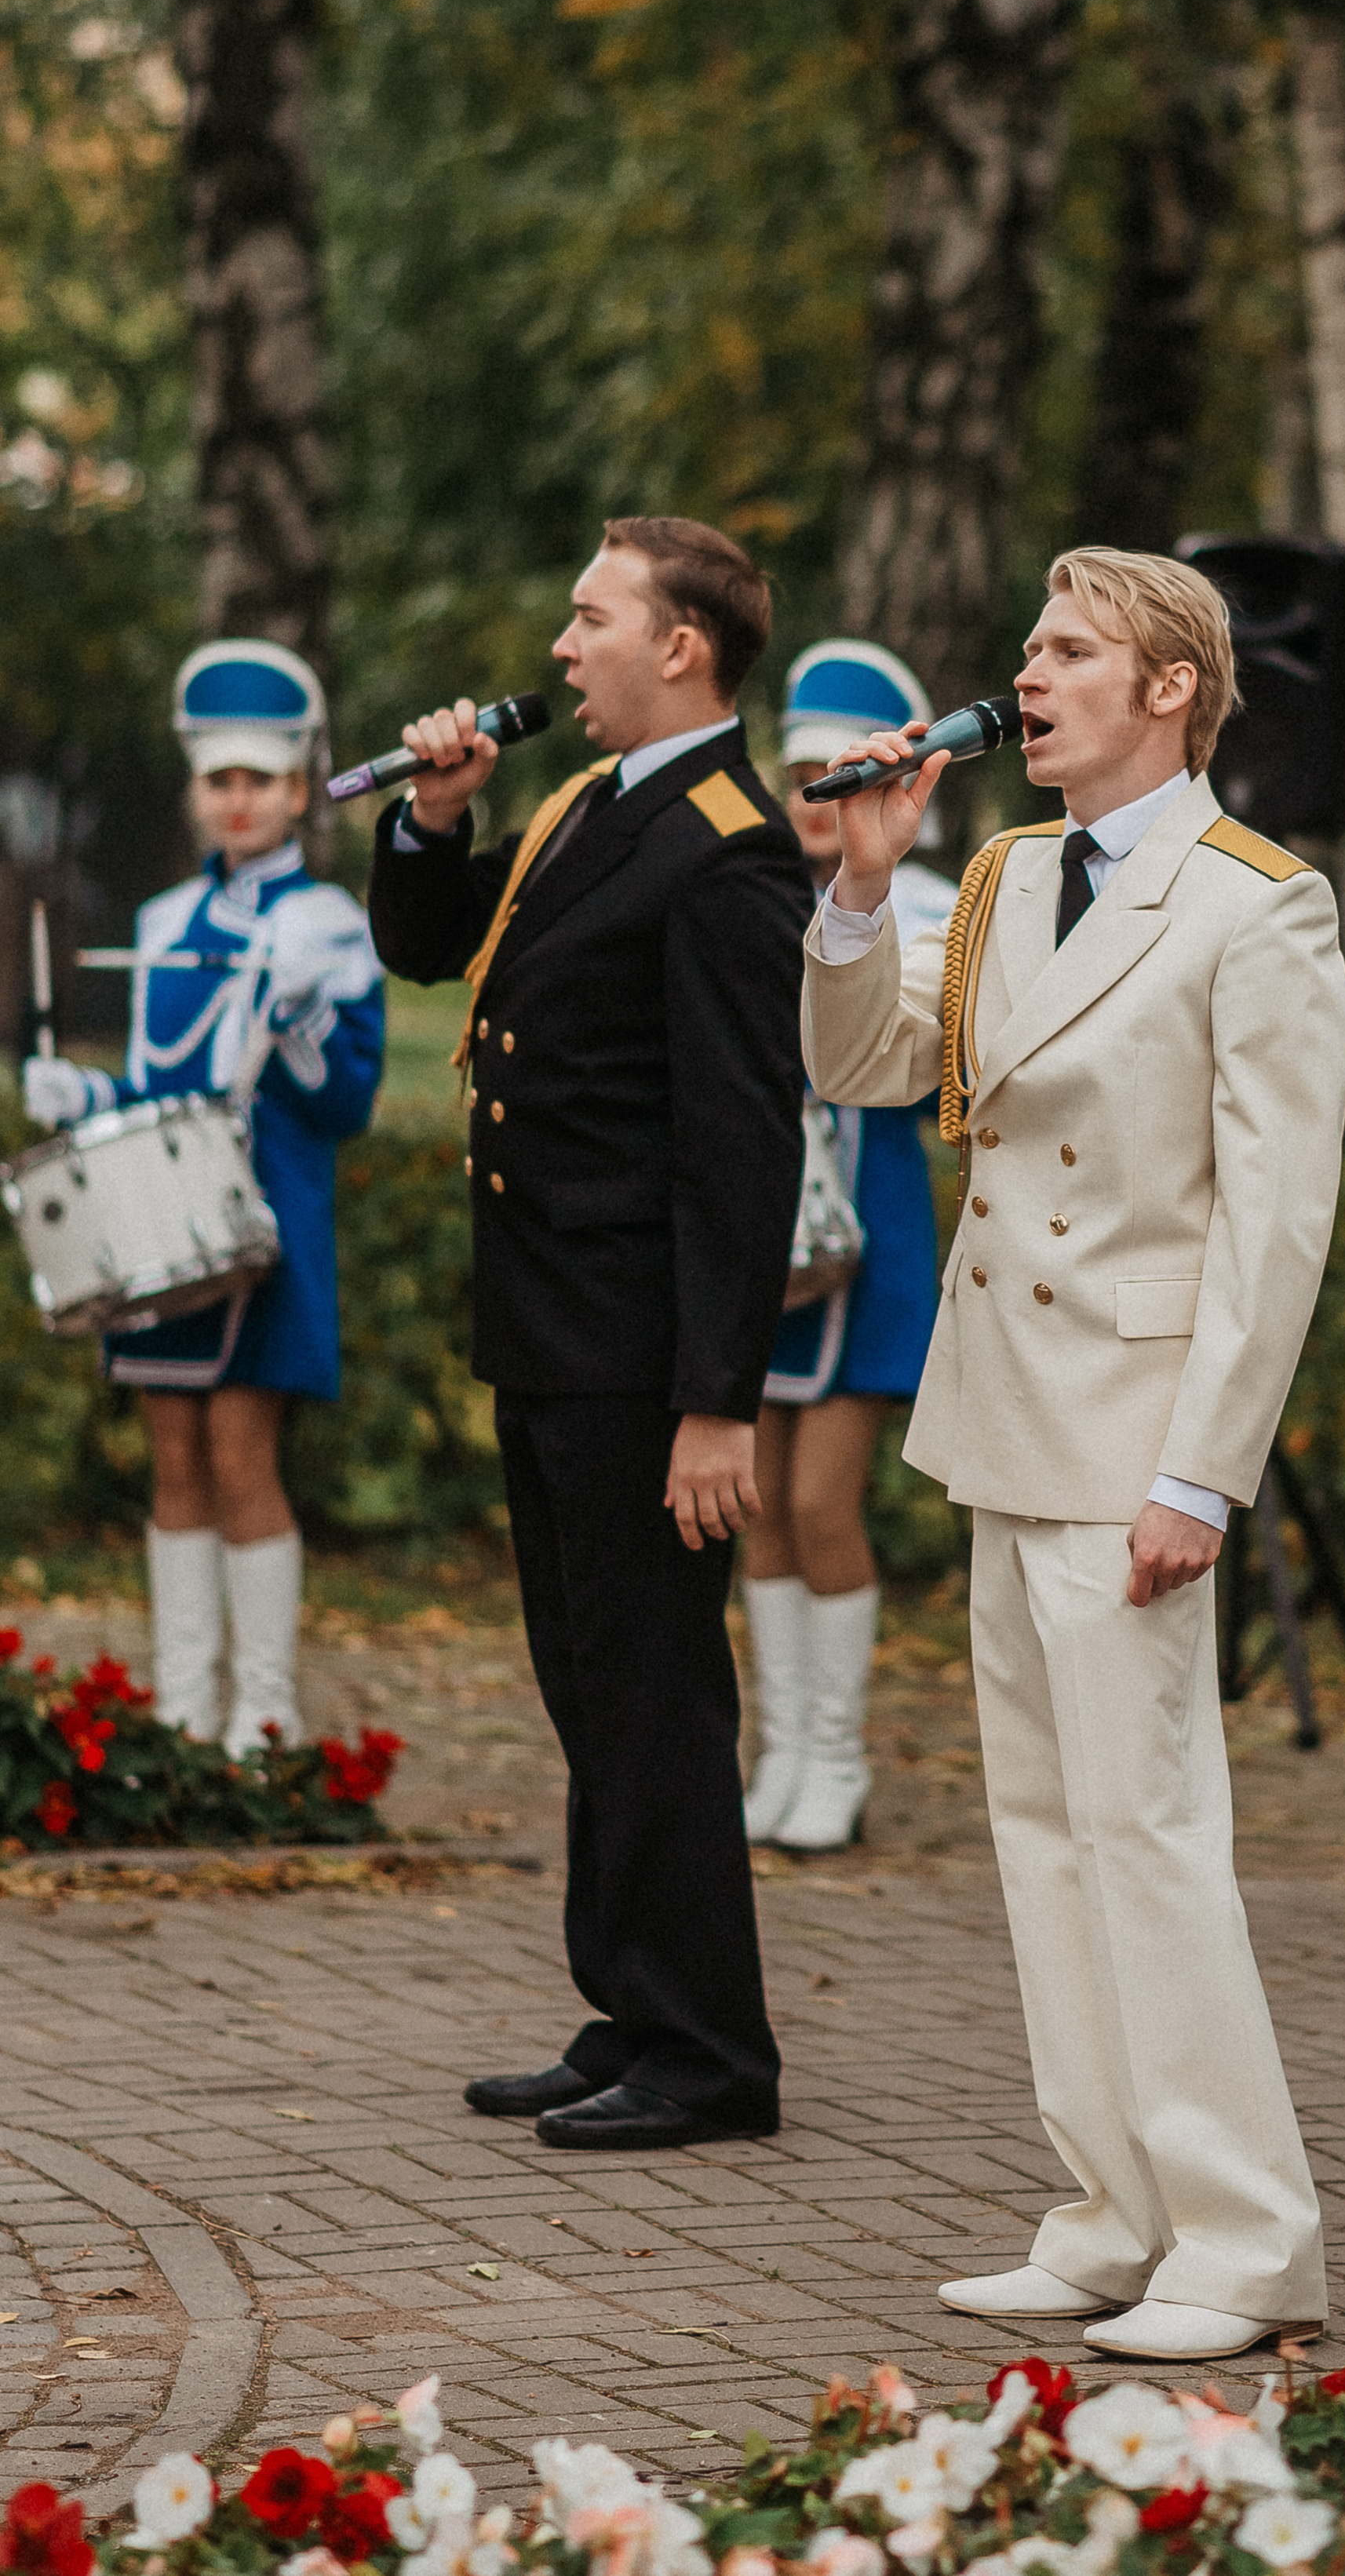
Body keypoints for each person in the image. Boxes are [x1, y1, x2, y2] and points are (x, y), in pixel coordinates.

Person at [802, 545, 1345, 2366]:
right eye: (1025, 649)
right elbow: (879, 1066)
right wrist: (864, 892)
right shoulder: (1004, 878)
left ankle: (1244, 2235)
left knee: (1151, 1830)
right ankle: (1109, 2213)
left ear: (1170, 685)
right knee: (1044, 1835)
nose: (1022, 678)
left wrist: (1203, 1473)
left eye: (1066, 651)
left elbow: (1274, 1222)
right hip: (1004, 1415)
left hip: (1133, 1437)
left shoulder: (1254, 905)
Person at [367, 517, 811, 2154]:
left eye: (590, 616)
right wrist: (432, 817)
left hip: (638, 1349)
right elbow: (433, 953)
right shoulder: (591, 804)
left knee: (654, 1691)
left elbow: (740, 1143)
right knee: (590, 1683)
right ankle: (632, 2005)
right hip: (555, 1325)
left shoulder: (728, 845)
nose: (560, 649)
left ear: (679, 645)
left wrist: (718, 1402)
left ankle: (711, 2055)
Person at [24, 641, 384, 1760]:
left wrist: (304, 1023)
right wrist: (78, 1090)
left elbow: (349, 1101)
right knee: (172, 1454)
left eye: (263, 781)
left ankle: (264, 1714)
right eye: (220, 780)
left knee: (241, 1454)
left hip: (267, 1217)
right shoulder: (169, 917)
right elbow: (153, 1086)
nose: (240, 801)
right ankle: (185, 1711)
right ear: (195, 790)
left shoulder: (326, 921)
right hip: (156, 1219)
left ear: (297, 791)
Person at [742, 639, 957, 1855]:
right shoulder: (757, 886)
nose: (817, 796)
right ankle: (780, 1752)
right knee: (760, 1501)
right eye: (800, 775)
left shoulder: (924, 907)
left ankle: (838, 1755)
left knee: (824, 1499)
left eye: (840, 772)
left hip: (864, 1226)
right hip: (759, 1227)